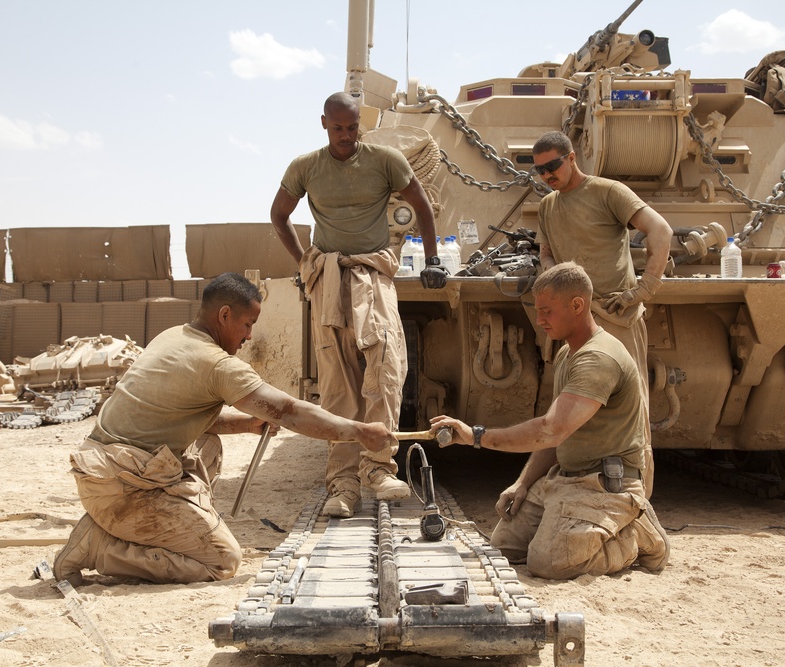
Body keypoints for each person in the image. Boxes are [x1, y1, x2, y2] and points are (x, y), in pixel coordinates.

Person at [52, 273, 396, 586]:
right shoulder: (216, 364)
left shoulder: (173, 337)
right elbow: (289, 411)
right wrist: (359, 431)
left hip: (102, 469)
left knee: (209, 446)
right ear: (225, 315)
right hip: (123, 487)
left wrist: (245, 424)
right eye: (247, 324)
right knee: (222, 561)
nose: (249, 336)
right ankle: (99, 547)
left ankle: (168, 526)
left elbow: (176, 414)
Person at [270, 91, 448, 518]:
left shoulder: (384, 160)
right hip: (329, 278)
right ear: (324, 124)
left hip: (373, 274)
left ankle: (380, 468)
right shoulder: (305, 167)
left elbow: (422, 204)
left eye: (352, 128)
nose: (346, 136)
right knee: (337, 382)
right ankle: (343, 484)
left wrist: (434, 258)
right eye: (338, 128)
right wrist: (304, 262)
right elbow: (278, 214)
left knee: (386, 370)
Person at [430, 262, 669, 580]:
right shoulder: (567, 355)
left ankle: (636, 536)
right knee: (504, 548)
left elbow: (550, 429)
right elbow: (555, 436)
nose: (539, 320)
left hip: (605, 487)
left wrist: (475, 435)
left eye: (547, 311)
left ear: (577, 305)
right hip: (565, 480)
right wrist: (523, 484)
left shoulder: (599, 358)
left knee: (549, 563)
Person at [530, 130, 673, 497]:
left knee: (631, 409)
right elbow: (546, 252)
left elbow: (659, 229)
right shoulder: (548, 206)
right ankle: (578, 491)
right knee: (570, 407)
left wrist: (645, 288)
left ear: (572, 157)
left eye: (553, 166)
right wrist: (553, 280)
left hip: (613, 315)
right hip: (571, 318)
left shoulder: (607, 192)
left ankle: (638, 501)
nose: (547, 175)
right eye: (540, 170)